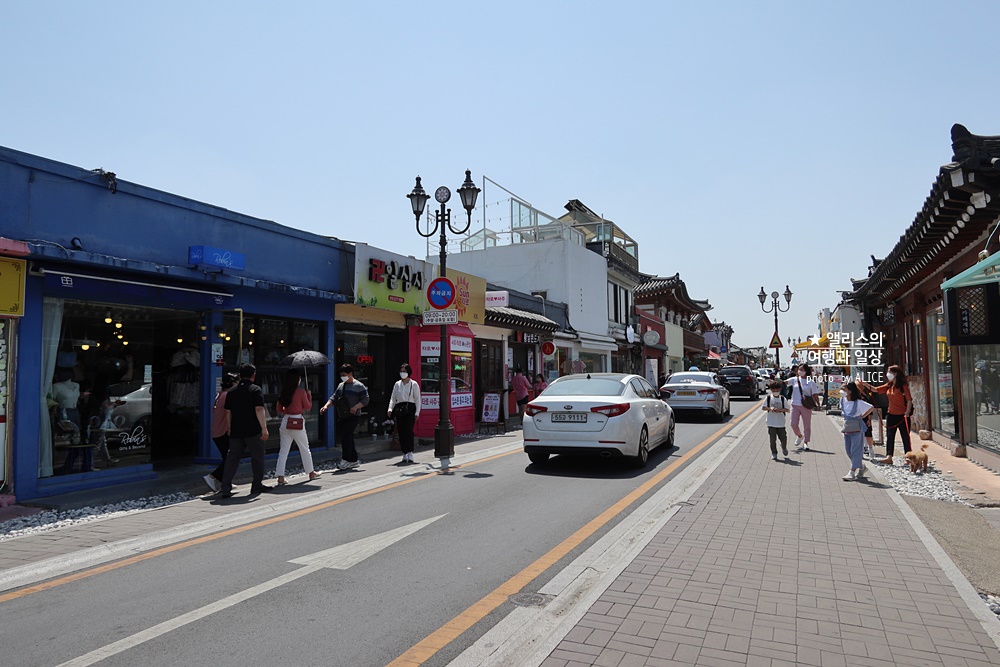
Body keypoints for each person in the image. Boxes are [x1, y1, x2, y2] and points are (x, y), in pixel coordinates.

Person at [218, 363, 272, 498]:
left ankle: (225, 487)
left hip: (236, 430)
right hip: (253, 430)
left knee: (232, 459)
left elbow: (228, 412)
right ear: (253, 375)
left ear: (240, 376)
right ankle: (256, 486)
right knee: (257, 458)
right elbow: (259, 409)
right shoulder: (255, 390)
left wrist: (229, 428)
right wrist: (264, 428)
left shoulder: (231, 391)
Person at [275, 369, 320, 485]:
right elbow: (308, 407)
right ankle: (311, 472)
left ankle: (280, 477)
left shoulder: (284, 392)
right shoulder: (301, 392)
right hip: (297, 421)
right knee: (304, 448)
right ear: (297, 380)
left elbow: (279, 409)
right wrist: (309, 396)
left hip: (286, 421)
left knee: (283, 451)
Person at [320, 363, 369, 470]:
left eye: (344, 374)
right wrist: (326, 406)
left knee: (345, 436)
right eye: (341, 375)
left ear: (350, 374)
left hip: (354, 415)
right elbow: (334, 398)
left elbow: (365, 400)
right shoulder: (341, 386)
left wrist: (356, 407)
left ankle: (346, 459)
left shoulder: (359, 386)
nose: (342, 377)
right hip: (343, 414)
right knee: (348, 436)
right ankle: (354, 460)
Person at [865, 365, 913, 464]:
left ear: (895, 374)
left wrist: (907, 411)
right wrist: (864, 383)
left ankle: (908, 457)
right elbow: (875, 389)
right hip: (891, 414)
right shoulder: (889, 385)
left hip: (903, 415)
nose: (888, 374)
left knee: (905, 437)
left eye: (890, 372)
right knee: (890, 436)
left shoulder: (903, 386)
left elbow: (909, 399)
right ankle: (889, 457)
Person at [203, 372, 237, 492]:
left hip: (217, 431)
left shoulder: (219, 395)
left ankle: (226, 482)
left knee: (227, 457)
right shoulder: (228, 395)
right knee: (231, 458)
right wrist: (230, 430)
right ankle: (213, 476)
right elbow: (229, 413)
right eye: (236, 382)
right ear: (232, 383)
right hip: (224, 431)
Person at [840, 381, 874, 481]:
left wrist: (862, 416)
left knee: (856, 450)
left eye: (844, 389)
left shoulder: (858, 402)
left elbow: (871, 407)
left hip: (857, 429)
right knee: (848, 451)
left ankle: (852, 472)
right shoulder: (842, 400)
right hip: (847, 428)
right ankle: (861, 466)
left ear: (850, 391)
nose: (841, 391)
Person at [387, 363, 420, 464]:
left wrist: (417, 412)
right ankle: (404, 453)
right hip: (400, 408)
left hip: (410, 408)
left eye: (404, 371)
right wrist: (390, 408)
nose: (402, 373)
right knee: (400, 431)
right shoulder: (397, 384)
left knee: (408, 431)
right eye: (401, 371)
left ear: (409, 372)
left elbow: (418, 399)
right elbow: (393, 398)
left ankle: (410, 452)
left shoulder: (413, 384)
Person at [784, 363, 821, 450]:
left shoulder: (810, 381)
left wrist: (818, 404)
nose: (799, 371)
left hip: (806, 405)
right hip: (795, 404)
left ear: (806, 371)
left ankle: (806, 442)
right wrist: (778, 380)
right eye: (799, 369)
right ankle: (799, 436)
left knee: (807, 425)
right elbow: (785, 382)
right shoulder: (795, 379)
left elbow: (815, 394)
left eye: (802, 370)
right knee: (793, 423)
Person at [762, 380, 790, 461]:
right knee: (772, 439)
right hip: (771, 422)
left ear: (780, 390)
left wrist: (780, 410)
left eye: (777, 390)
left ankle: (784, 447)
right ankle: (774, 452)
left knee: (783, 438)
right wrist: (770, 408)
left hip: (781, 423)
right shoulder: (768, 398)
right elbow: (763, 407)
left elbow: (787, 409)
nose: (775, 392)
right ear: (771, 390)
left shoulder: (782, 398)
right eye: (774, 390)